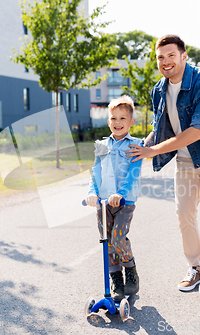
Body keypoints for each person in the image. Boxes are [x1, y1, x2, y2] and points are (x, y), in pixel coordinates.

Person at [127, 35, 200, 299]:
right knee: (184, 212)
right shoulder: (158, 90)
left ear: (183, 56)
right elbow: (160, 130)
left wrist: (152, 151)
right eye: (160, 57)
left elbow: (198, 130)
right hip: (186, 159)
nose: (165, 62)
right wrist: (135, 148)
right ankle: (194, 266)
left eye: (171, 55)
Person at [86, 95, 143, 302]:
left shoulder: (136, 145)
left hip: (124, 203)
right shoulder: (101, 145)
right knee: (106, 242)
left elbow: (133, 172)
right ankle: (116, 281)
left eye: (122, 118)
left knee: (118, 238)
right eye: (113, 118)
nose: (117, 123)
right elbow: (95, 171)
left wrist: (122, 194)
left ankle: (130, 268)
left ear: (131, 122)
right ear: (108, 121)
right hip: (102, 203)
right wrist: (92, 192)